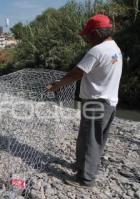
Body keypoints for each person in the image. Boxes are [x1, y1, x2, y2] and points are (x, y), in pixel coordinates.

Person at [47, 14, 122, 187]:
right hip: (109, 103)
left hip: (96, 103)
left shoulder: (98, 51)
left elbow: (77, 73)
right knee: (90, 138)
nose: (87, 39)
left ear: (96, 33)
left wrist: (57, 86)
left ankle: (85, 179)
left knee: (90, 140)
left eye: (88, 35)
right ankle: (82, 166)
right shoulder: (114, 48)